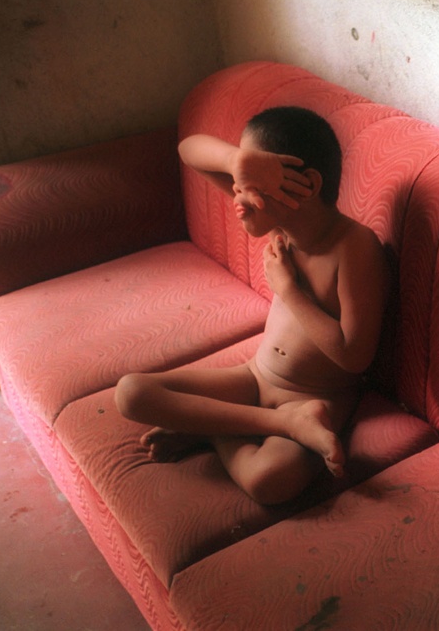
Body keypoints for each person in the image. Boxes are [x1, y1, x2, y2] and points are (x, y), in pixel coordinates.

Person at [115, 106, 389, 505]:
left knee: (269, 482)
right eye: (237, 184)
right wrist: (236, 161)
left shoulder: (354, 247)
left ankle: (215, 427)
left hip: (314, 399)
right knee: (131, 393)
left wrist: (288, 289)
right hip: (255, 378)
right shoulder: (282, 220)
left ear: (305, 186)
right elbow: (188, 149)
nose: (236, 200)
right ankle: (278, 425)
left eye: (248, 187)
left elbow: (354, 356)